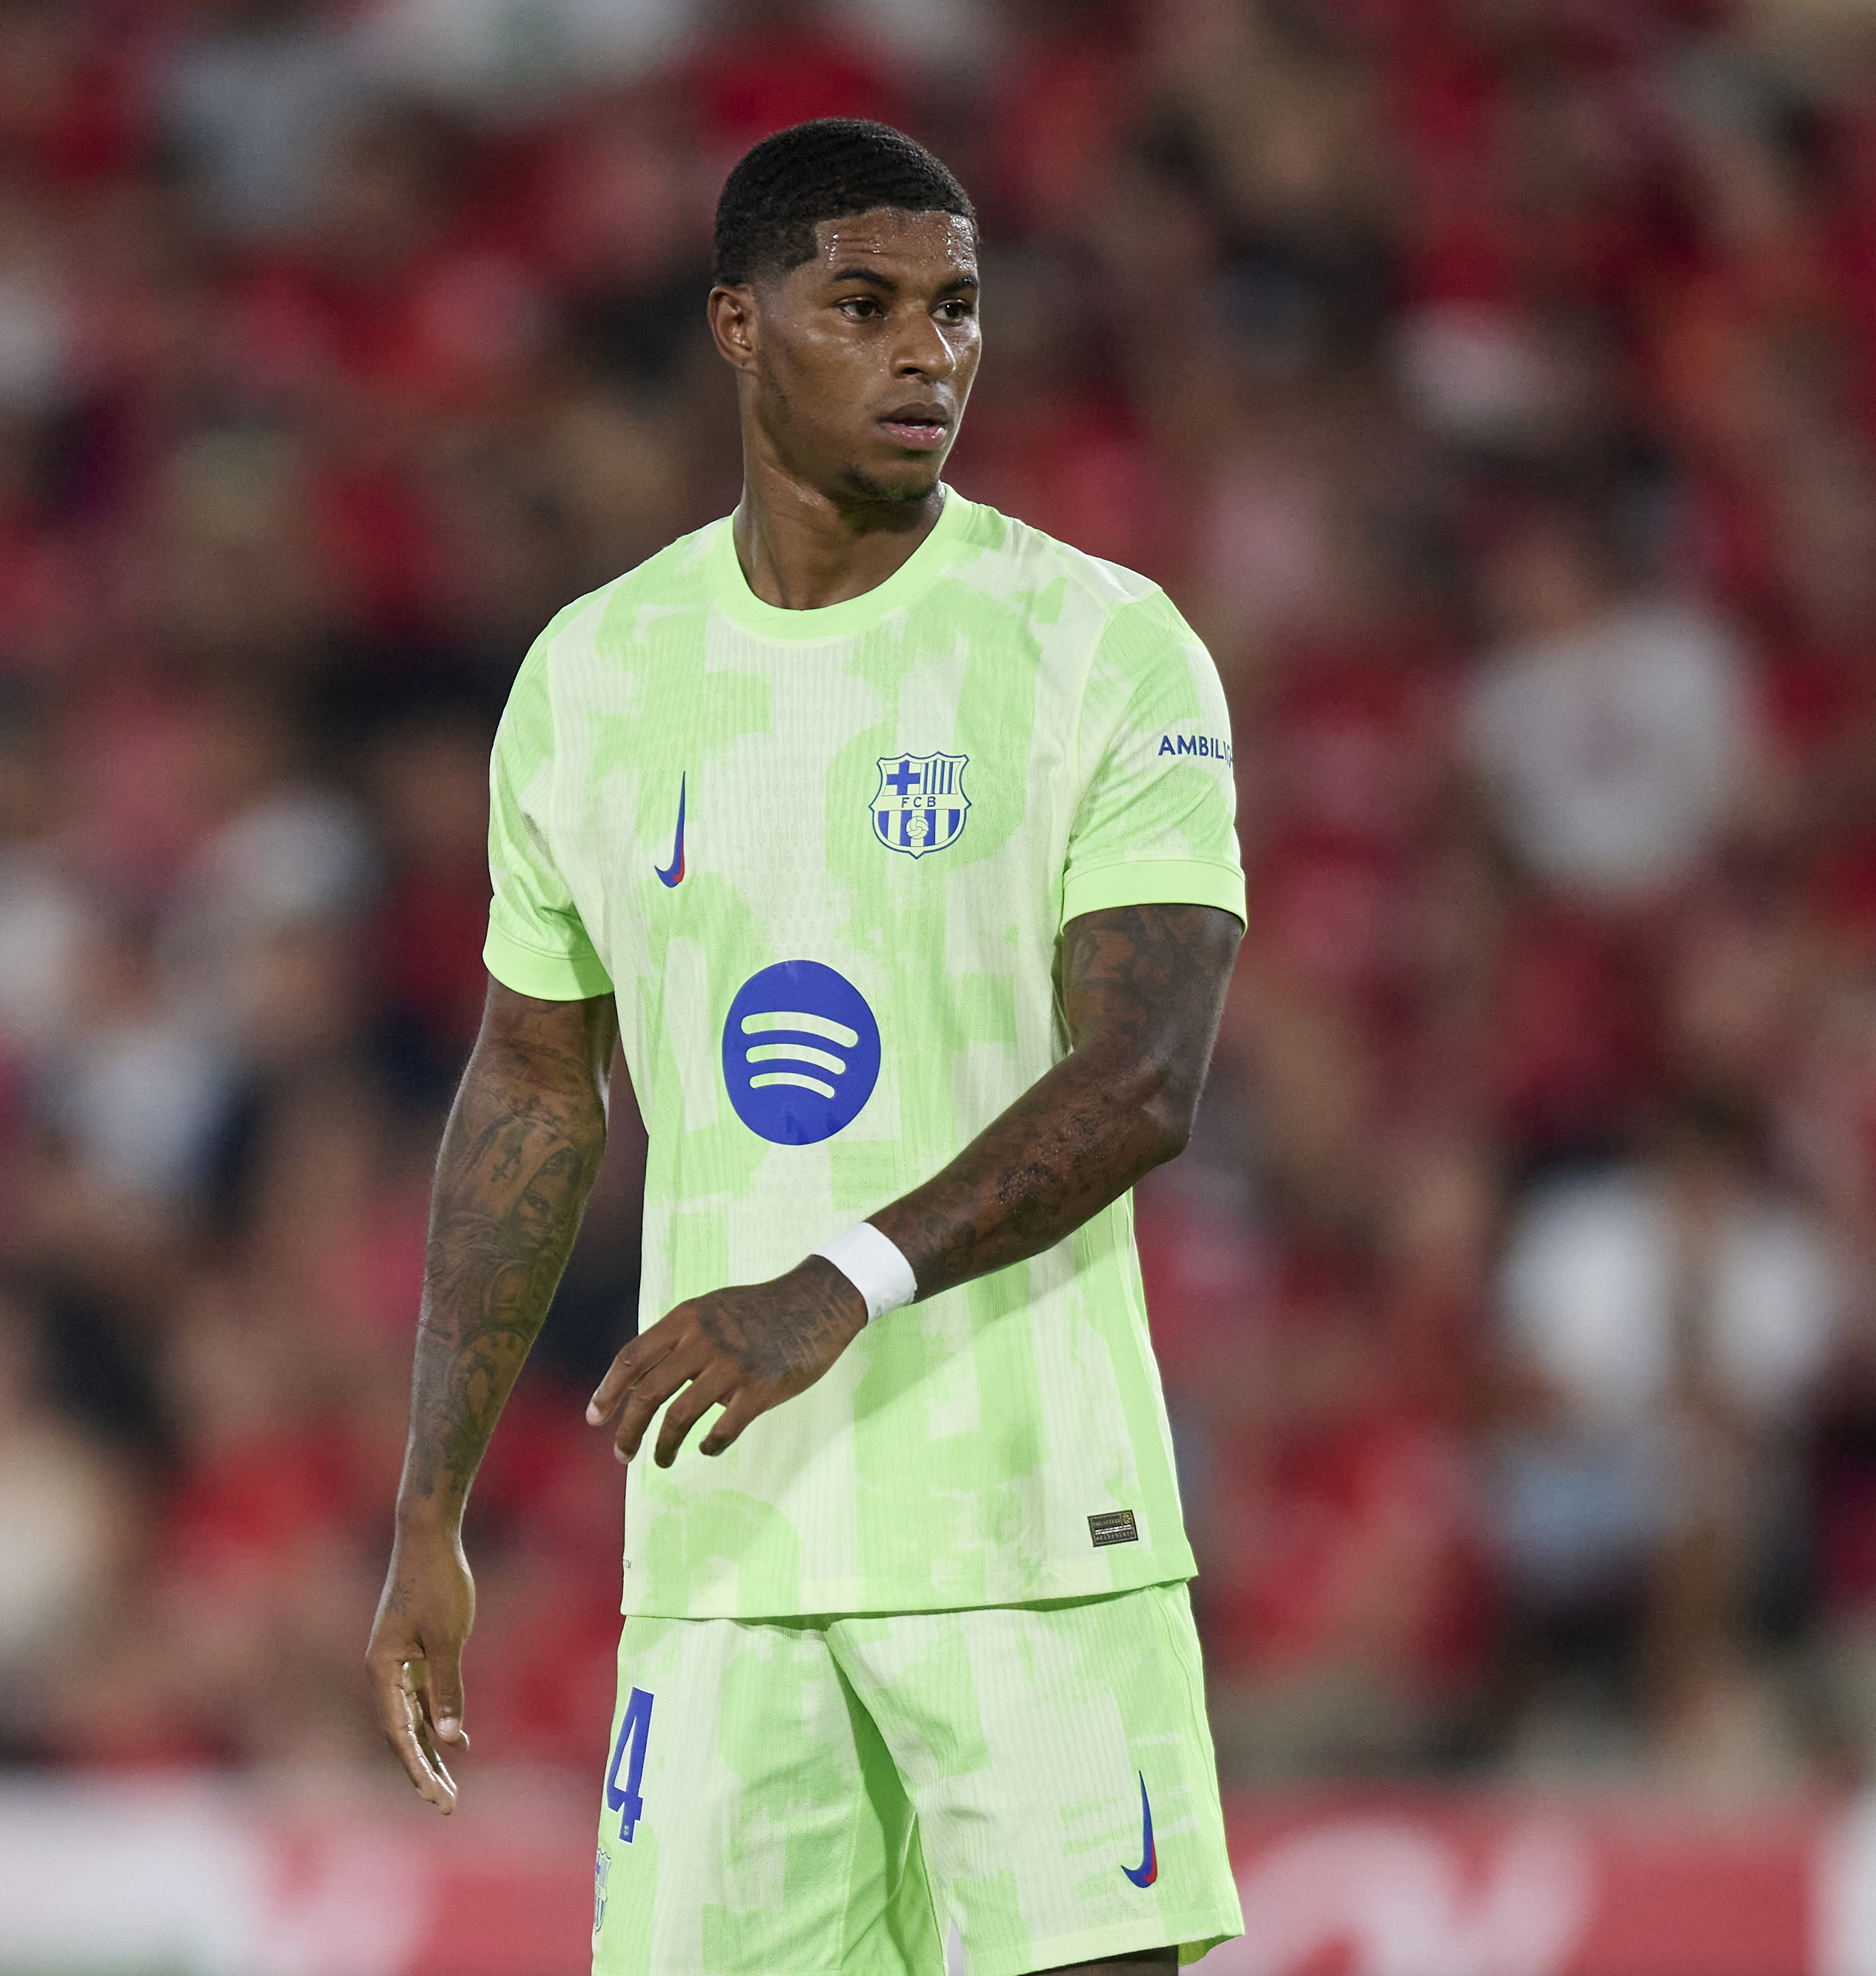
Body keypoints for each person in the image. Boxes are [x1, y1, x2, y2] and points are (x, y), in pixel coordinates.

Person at [361, 119, 1248, 1976]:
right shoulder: (596, 674)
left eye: (957, 308)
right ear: (739, 328)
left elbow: (1144, 1073)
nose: (928, 353)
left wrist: (833, 1282)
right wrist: (428, 1508)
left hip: (1031, 1536)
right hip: (726, 1561)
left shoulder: (1099, 645)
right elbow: (530, 1085)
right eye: (864, 304)